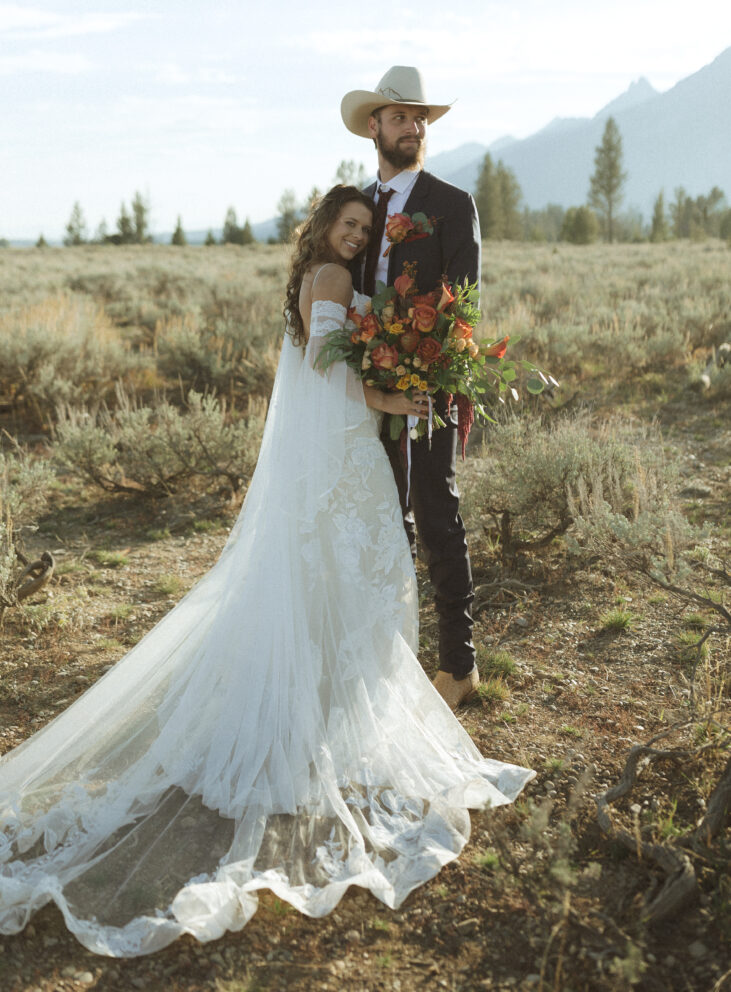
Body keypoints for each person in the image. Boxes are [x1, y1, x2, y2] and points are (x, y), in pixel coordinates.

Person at [0, 186, 533, 958]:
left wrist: (390, 376)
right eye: (345, 226)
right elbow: (328, 365)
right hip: (341, 450)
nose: (354, 238)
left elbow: (325, 363)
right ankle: (317, 732)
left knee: (338, 582)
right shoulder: (335, 281)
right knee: (361, 577)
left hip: (335, 448)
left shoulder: (318, 278)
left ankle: (318, 724)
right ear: (321, 227)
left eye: (361, 229)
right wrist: (394, 390)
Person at [342, 66, 483, 711]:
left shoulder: (452, 205)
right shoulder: (356, 209)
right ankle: (388, 655)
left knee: (436, 511)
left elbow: (464, 304)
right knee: (379, 513)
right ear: (375, 126)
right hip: (365, 387)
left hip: (430, 382)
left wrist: (432, 368)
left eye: (419, 117)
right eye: (400, 117)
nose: (413, 126)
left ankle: (459, 664)